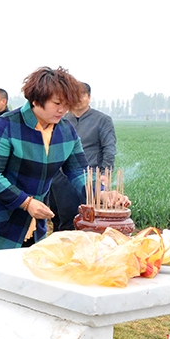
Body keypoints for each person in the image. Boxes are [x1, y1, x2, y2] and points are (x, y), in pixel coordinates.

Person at [0, 67, 130, 253]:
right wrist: (26, 202)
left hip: (33, 222)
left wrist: (101, 193)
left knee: (27, 275)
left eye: (66, 103)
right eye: (57, 103)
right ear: (36, 99)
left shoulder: (66, 130)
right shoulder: (5, 126)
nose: (62, 109)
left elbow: (78, 171)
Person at [49, 82, 117, 231]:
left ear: (89, 97)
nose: (78, 99)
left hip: (89, 177)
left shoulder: (102, 120)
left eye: (82, 95)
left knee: (86, 221)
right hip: (61, 177)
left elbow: (109, 148)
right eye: (74, 96)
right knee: (61, 220)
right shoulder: (61, 120)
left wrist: (105, 173)